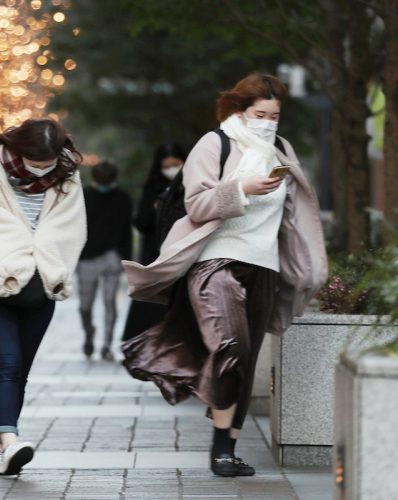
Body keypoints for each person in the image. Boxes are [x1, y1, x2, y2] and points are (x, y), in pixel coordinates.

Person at [121, 74, 327, 477]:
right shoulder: (214, 144)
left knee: (246, 359)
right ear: (239, 111)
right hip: (216, 262)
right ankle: (218, 448)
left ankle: (228, 446)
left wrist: (308, 263)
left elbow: (294, 214)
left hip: (264, 264)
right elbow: (196, 204)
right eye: (259, 114)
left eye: (275, 115)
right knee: (230, 346)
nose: (268, 122)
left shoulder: (281, 149)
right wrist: (242, 188)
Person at [0, 118, 87, 476]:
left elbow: (69, 228)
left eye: (48, 163)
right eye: (36, 162)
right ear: (20, 150)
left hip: (42, 286)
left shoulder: (66, 175)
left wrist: (49, 264)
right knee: (8, 365)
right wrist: (17, 257)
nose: (42, 169)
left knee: (20, 372)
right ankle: (11, 439)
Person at [121, 142, 186, 342]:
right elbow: (141, 222)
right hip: (154, 251)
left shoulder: (191, 185)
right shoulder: (152, 188)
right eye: (166, 166)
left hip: (183, 250)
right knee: (151, 300)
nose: (172, 169)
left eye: (176, 164)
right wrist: (157, 209)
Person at [77, 161, 132, 361]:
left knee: (110, 302)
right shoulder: (83, 197)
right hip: (86, 258)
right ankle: (89, 334)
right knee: (85, 305)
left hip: (112, 257)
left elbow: (126, 231)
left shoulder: (123, 199)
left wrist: (126, 259)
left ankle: (107, 345)